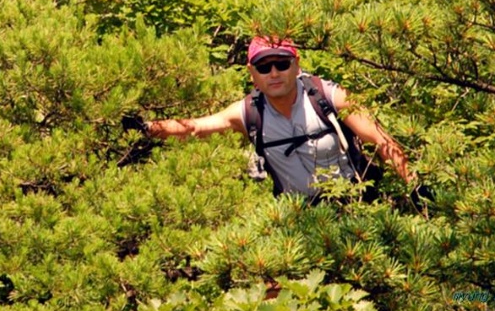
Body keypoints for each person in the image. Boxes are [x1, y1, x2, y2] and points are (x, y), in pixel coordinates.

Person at [138, 36, 414, 202]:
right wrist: (148, 128)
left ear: (296, 65)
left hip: (354, 209)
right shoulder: (248, 113)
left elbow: (381, 141)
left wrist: (415, 188)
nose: (274, 73)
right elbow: (195, 128)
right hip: (298, 222)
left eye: (282, 64)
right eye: (264, 66)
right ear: (252, 73)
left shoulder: (328, 96)